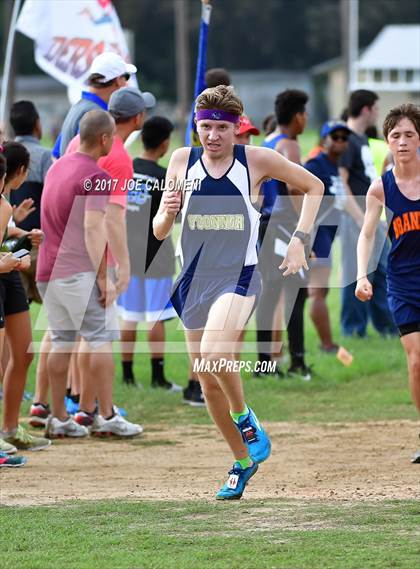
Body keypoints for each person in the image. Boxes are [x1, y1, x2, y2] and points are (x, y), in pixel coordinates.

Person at [153, 85, 324, 500]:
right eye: (205, 127)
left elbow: (315, 186)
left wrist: (300, 237)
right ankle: (243, 461)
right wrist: (166, 211)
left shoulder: (256, 160)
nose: (212, 136)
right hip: (193, 280)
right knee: (206, 380)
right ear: (196, 128)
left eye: (221, 128)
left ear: (236, 129)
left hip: (240, 275)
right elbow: (159, 232)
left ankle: (246, 417)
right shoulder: (180, 160)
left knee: (214, 356)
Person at [36, 110, 142, 438]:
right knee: (100, 341)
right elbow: (93, 228)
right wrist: (101, 277)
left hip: (47, 271)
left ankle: (57, 417)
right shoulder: (98, 177)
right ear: (105, 139)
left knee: (61, 340)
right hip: (77, 272)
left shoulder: (57, 168)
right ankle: (107, 416)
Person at [355, 103, 420, 464]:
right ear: (387, 141)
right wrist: (362, 275)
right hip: (403, 282)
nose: (403, 141)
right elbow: (366, 235)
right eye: (396, 135)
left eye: (410, 134)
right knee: (416, 362)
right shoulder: (381, 188)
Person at [117, 116, 182, 393]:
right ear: (165, 143)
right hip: (157, 256)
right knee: (156, 316)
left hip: (127, 253)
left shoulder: (126, 170)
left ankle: (128, 375)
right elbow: (174, 217)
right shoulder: (163, 176)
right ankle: (157, 377)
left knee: (130, 315)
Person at [256, 89, 313, 380]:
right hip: (283, 225)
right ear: (298, 116)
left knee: (270, 293)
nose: (306, 120)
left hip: (266, 224)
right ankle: (298, 362)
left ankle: (264, 363)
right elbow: (294, 188)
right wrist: (305, 229)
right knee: (296, 292)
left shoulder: (267, 142)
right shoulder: (289, 145)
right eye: (305, 114)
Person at [0, 141, 50, 452]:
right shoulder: (4, 204)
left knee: (24, 353)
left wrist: (19, 237)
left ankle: (10, 428)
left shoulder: (5, 204)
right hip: (5, 272)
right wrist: (14, 258)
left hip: (9, 278)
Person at [339, 89, 395, 337]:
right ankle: (353, 330)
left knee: (382, 270)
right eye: (376, 108)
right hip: (355, 218)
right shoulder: (346, 139)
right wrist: (360, 219)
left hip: (370, 217)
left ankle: (387, 327)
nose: (378, 113)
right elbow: (341, 184)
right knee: (356, 273)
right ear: (366, 109)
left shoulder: (361, 139)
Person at [52, 52, 154, 158]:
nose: (127, 83)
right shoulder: (97, 115)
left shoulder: (79, 107)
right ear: (118, 81)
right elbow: (87, 159)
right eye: (126, 77)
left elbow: (56, 155)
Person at [306, 120, 351, 352]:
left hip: (326, 234)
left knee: (310, 293)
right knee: (317, 292)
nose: (341, 142)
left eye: (345, 138)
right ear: (324, 140)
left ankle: (282, 350)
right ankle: (327, 344)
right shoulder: (316, 164)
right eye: (336, 137)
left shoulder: (334, 166)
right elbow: (299, 193)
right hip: (317, 233)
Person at [9, 100, 53, 303]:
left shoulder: (7, 152)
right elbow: (52, 196)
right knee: (60, 309)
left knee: (15, 307)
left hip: (10, 244)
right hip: (38, 243)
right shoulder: (44, 156)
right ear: (37, 124)